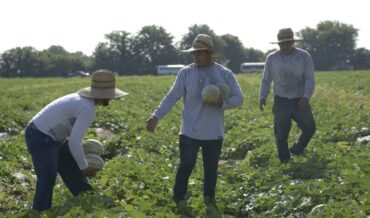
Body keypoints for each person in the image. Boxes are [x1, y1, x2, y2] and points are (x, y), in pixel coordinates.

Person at [146, 34, 243, 217]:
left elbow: (239, 98)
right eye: (194, 53)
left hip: (214, 132)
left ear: (209, 54)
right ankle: (178, 198)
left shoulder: (224, 73)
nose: (195, 56)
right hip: (189, 130)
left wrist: (222, 103)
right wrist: (155, 116)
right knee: (186, 164)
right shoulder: (186, 73)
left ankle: (209, 198)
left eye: (199, 53)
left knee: (211, 168)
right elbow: (171, 97)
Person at [25, 69, 128, 211]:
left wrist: (81, 164)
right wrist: (84, 167)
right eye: (110, 95)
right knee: (47, 179)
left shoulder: (83, 102)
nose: (111, 98)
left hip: (54, 138)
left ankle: (90, 204)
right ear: (102, 95)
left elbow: (74, 139)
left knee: (71, 169)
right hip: (40, 136)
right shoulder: (87, 108)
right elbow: (74, 142)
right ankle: (39, 213)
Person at [259, 28, 316, 163]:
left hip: (300, 100)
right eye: (282, 43)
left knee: (310, 128)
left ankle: (297, 148)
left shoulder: (304, 56)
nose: (285, 45)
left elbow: (309, 78)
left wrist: (306, 97)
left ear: (293, 42)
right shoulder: (272, 58)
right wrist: (262, 96)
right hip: (281, 100)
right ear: (278, 44)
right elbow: (266, 79)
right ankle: (285, 159)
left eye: (288, 42)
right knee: (281, 133)